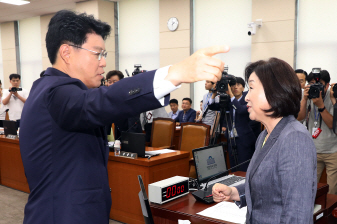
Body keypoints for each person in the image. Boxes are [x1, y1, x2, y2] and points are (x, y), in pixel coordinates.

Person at [19, 10, 229, 224]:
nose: (103, 62)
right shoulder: (56, 92)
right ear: (66, 52)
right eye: (97, 53)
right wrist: (173, 74)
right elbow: (102, 101)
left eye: (104, 55)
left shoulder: (49, 89)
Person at [212, 58, 317, 224]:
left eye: (252, 88)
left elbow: (297, 216)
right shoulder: (265, 135)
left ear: (274, 92)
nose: (246, 97)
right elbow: (268, 187)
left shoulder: (294, 139)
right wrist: (234, 192)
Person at [298, 70, 337, 195]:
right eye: (312, 84)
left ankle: (328, 215)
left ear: (327, 85)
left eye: (319, 84)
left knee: (332, 193)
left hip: (334, 150)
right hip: (313, 150)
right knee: (308, 189)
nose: (316, 88)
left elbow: (331, 124)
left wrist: (320, 106)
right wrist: (304, 99)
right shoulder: (308, 95)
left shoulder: (334, 96)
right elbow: (299, 118)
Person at [208, 77, 256, 171]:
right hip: (231, 138)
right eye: (233, 85)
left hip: (244, 139)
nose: (235, 87)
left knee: (244, 167)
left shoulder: (248, 100)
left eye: (238, 85)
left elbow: (241, 110)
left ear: (243, 88)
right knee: (233, 167)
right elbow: (212, 106)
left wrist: (231, 95)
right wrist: (214, 93)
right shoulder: (228, 101)